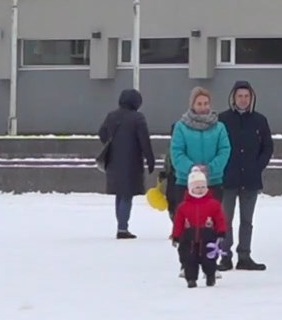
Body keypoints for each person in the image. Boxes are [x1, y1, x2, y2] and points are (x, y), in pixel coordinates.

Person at [218, 80, 273, 271]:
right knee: (225, 219)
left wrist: (258, 166)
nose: (243, 100)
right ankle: (225, 256)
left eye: (246, 96)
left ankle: (245, 256)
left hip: (250, 179)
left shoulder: (260, 120)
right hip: (228, 178)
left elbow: (267, 147)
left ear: (252, 98)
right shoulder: (222, 120)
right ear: (233, 97)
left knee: (247, 220)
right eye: (239, 96)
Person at [168, 88, 231, 232]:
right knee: (187, 228)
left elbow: (224, 150)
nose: (203, 107)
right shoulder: (181, 127)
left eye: (206, 103)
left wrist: (210, 168)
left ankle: (209, 254)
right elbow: (176, 152)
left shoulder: (219, 127)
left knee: (211, 227)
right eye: (199, 104)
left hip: (212, 183)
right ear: (192, 105)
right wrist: (192, 168)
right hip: (185, 183)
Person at [97, 88, 155, 240]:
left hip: (114, 160)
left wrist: (112, 144)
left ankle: (121, 225)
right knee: (127, 195)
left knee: (119, 194)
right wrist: (150, 159)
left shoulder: (111, 116)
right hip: (132, 161)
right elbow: (144, 141)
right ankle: (123, 228)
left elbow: (102, 133)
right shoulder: (138, 118)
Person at [170, 167, 228, 288]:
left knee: (209, 260)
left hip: (208, 237)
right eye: (197, 187)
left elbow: (220, 219)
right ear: (191, 189)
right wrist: (176, 236)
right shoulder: (183, 206)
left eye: (203, 187)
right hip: (188, 239)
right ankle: (191, 279)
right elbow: (178, 222)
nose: (200, 190)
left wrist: (221, 231)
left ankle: (210, 275)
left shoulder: (213, 204)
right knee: (189, 260)